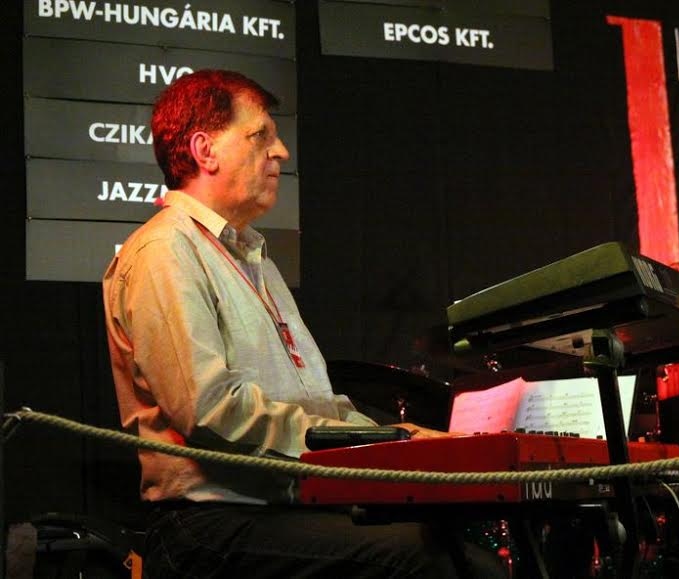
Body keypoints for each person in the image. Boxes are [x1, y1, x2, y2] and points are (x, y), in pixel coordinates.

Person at [102, 69, 507, 578]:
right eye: (261, 136)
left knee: (461, 545)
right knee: (441, 564)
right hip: (210, 526)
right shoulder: (165, 250)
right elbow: (211, 410)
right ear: (206, 151)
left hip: (282, 510)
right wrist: (388, 446)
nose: (281, 152)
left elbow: (316, 408)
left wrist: (402, 439)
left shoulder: (255, 259)